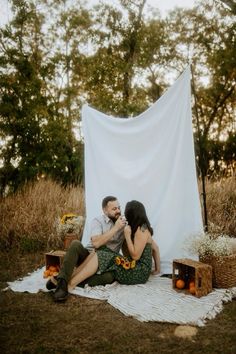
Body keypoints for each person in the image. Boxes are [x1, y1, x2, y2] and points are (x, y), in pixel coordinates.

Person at [65, 200, 160, 294]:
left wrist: (127, 236)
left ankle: (72, 283)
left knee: (102, 255)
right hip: (136, 268)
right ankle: (71, 280)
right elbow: (156, 248)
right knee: (102, 250)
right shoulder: (142, 227)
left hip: (138, 272)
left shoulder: (141, 230)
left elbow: (135, 256)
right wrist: (157, 269)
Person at [49, 196, 127, 301]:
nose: (118, 211)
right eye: (114, 209)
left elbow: (127, 250)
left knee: (110, 277)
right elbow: (96, 244)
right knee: (75, 244)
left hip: (106, 263)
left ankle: (60, 280)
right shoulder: (98, 221)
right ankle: (62, 285)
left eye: (119, 208)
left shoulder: (123, 224)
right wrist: (116, 228)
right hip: (88, 257)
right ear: (105, 210)